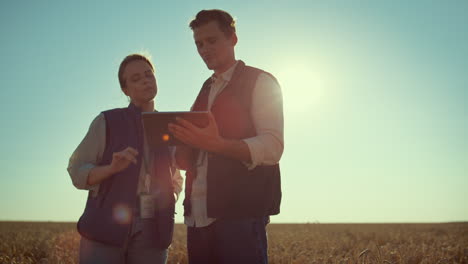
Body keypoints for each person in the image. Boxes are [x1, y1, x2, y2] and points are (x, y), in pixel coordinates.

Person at [168, 9, 284, 264]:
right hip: (196, 216)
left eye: (211, 41)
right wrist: (179, 148)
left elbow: (273, 147)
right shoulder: (205, 88)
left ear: (233, 38)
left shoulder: (261, 81)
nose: (204, 49)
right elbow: (196, 151)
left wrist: (217, 145)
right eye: (199, 44)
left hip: (239, 215)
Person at [67, 54, 183, 264]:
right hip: (105, 227)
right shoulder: (106, 121)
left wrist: (171, 197)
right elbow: (76, 169)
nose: (146, 80)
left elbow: (175, 177)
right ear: (125, 90)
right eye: (136, 78)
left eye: (149, 75)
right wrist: (110, 169)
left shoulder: (169, 125)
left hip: (154, 229)